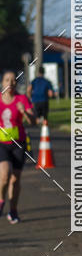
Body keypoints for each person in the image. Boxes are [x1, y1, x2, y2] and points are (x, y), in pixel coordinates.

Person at [0, 70, 35, 224]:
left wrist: (25, 113)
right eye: (7, 80)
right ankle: (1, 200)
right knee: (5, 175)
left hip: (18, 144)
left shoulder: (22, 99)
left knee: (15, 180)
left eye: (13, 80)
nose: (10, 83)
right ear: (2, 83)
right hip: (1, 144)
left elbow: (33, 122)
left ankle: (13, 211)